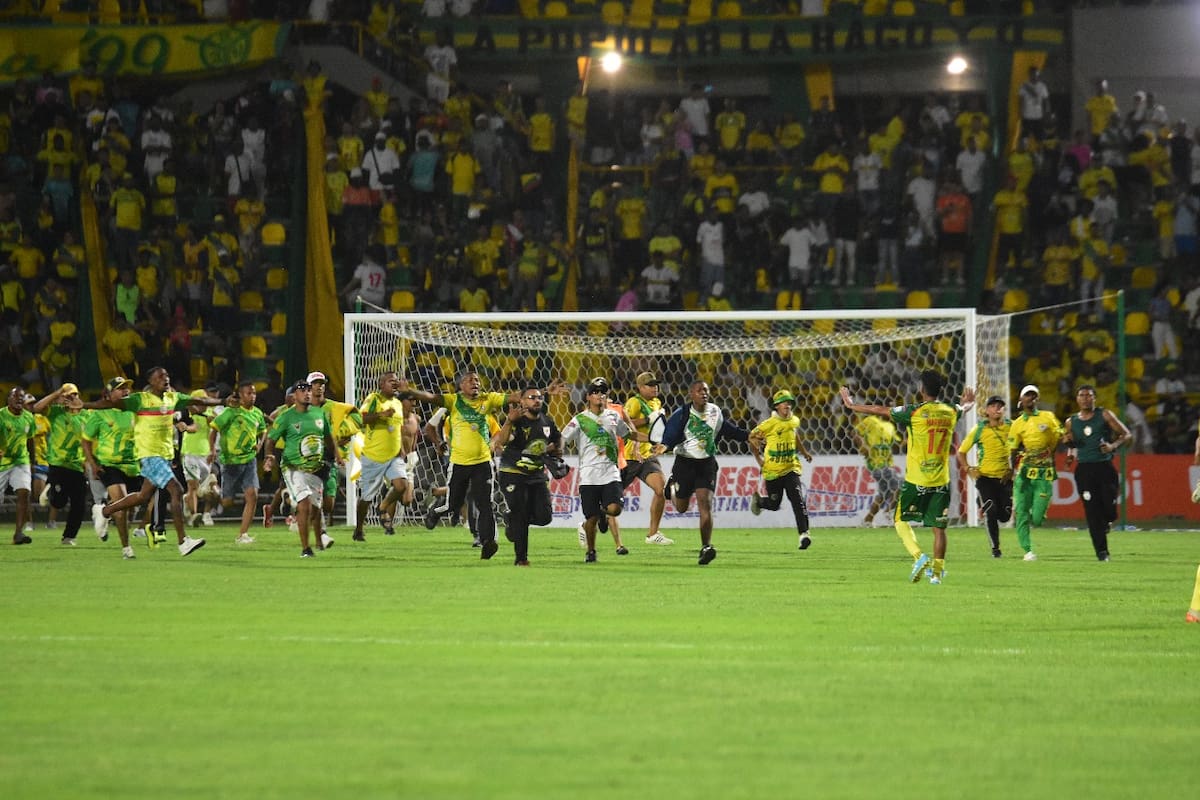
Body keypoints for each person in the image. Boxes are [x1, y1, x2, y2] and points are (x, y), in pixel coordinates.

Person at [840, 371, 975, 585]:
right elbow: (964, 408)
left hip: (917, 480)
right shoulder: (950, 411)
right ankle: (937, 574)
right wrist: (969, 404)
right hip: (941, 481)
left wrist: (851, 405)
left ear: (921, 390)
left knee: (900, 520)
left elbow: (879, 410)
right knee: (939, 528)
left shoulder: (914, 412)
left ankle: (919, 556)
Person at [93, 367, 219, 556]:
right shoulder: (140, 399)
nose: (165, 378)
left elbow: (198, 401)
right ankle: (183, 541)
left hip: (164, 455)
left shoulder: (172, 398)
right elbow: (106, 404)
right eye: (160, 376)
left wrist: (225, 401)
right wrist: (82, 405)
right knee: (176, 490)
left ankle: (104, 511)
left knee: (143, 496)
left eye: (167, 375)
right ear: (150, 382)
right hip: (149, 455)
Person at [416, 371, 541, 560]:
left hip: (482, 462)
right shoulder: (451, 404)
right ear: (460, 386)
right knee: (454, 504)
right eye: (470, 380)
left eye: (477, 380)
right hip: (457, 462)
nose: (475, 383)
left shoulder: (487, 403)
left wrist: (540, 393)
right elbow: (430, 420)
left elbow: (504, 421)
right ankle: (436, 510)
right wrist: (439, 443)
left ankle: (487, 541)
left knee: (484, 504)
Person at [559, 377, 652, 564]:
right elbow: (562, 438)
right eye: (596, 392)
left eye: (603, 392)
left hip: (611, 472)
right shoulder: (580, 420)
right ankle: (591, 551)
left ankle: (603, 513)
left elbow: (629, 434)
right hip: (588, 476)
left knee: (615, 509)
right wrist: (555, 452)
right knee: (591, 520)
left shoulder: (613, 417)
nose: (600, 396)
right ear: (588, 397)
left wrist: (652, 439)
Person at [660, 380, 751, 565]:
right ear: (691, 394)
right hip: (685, 464)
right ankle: (671, 488)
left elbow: (726, 429)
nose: (704, 393)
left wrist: (747, 436)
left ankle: (706, 547)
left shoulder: (715, 411)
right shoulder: (682, 414)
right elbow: (670, 434)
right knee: (681, 508)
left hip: (706, 464)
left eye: (706, 390)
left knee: (705, 504)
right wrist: (665, 445)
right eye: (699, 390)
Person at [264, 379, 343, 558]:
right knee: (305, 504)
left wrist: (337, 455)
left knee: (316, 509)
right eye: (302, 390)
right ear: (294, 395)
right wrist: (269, 455)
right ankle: (306, 549)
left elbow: (329, 437)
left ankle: (316, 537)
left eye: (308, 390)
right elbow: (271, 439)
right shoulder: (286, 417)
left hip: (315, 469)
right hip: (293, 468)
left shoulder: (319, 414)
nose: (307, 393)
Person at [491, 386, 562, 566]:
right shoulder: (517, 421)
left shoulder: (547, 421)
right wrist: (508, 421)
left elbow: (557, 437)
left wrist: (557, 449)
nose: (537, 400)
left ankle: (512, 520)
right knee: (521, 514)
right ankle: (521, 559)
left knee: (545, 517)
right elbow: (502, 441)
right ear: (521, 401)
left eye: (539, 397)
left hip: (536, 474)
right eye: (531, 397)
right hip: (513, 473)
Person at [1062, 384, 1131, 562]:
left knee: (1108, 506)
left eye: (1089, 395)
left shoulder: (1104, 415)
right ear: (1077, 399)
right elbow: (1071, 443)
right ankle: (1102, 552)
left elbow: (1126, 434)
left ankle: (1108, 519)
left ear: (1095, 398)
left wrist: (1112, 446)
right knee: (1091, 512)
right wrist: (1069, 453)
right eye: (1082, 395)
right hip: (1084, 469)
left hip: (1104, 467)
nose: (1085, 398)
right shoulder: (1071, 422)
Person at [81, 377, 140, 558]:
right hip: (109, 464)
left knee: (130, 507)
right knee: (122, 506)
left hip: (133, 465)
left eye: (127, 388)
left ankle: (103, 510)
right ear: (108, 394)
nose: (126, 391)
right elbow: (86, 440)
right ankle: (126, 548)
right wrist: (93, 464)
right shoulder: (98, 414)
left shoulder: (133, 410)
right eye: (120, 388)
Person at [748, 390, 814, 550]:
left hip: (791, 467)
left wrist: (804, 452)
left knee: (798, 500)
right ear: (777, 406)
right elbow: (751, 437)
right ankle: (760, 502)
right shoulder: (769, 424)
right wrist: (759, 460)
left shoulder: (794, 421)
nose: (788, 404)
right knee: (774, 503)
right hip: (773, 471)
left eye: (789, 402)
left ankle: (804, 535)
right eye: (784, 402)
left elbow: (794, 435)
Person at [354, 371, 416, 541]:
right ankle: (358, 529)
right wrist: (380, 415)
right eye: (391, 381)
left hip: (394, 457)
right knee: (366, 498)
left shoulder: (397, 403)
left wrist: (401, 451)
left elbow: (396, 430)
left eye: (396, 382)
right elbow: (361, 419)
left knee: (402, 485)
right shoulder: (374, 399)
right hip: (374, 457)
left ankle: (383, 506)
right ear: (381, 385)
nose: (395, 384)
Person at [1007, 384, 1063, 562]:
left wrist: (1064, 439)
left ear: (1037, 399)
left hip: (1044, 472)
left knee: (1038, 518)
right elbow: (1013, 449)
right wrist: (1011, 470)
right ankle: (1027, 550)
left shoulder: (1048, 417)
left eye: (1034, 395)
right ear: (1021, 400)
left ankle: (1034, 520)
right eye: (1027, 395)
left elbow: (1059, 434)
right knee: (1021, 511)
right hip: (1024, 472)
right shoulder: (1017, 424)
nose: (1031, 398)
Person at [209, 380, 268, 545]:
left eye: (254, 393)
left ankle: (242, 535)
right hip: (230, 462)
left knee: (252, 496)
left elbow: (263, 430)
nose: (253, 396)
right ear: (240, 396)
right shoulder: (231, 412)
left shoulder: (257, 413)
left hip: (249, 460)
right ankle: (212, 487)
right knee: (227, 502)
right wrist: (212, 449)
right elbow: (214, 428)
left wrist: (260, 444)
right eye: (249, 393)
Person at [956, 395, 1013, 558]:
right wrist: (968, 468)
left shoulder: (1011, 426)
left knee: (1005, 516)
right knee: (991, 510)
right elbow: (961, 452)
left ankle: (983, 502)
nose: (997, 408)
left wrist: (1013, 468)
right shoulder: (979, 429)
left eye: (1000, 406)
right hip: (985, 478)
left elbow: (1020, 445)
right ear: (987, 410)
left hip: (1004, 479)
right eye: (994, 406)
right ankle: (996, 549)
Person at [32, 383, 88, 546]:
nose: (71, 398)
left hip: (77, 464)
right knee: (59, 503)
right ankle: (51, 491)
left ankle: (69, 537)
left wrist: (88, 460)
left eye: (74, 395)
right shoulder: (56, 412)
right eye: (68, 395)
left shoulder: (86, 415)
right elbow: (36, 407)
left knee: (79, 503)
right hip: (58, 463)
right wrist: (57, 394)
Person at [621, 371, 673, 546]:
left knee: (661, 489)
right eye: (650, 385)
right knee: (611, 499)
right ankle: (586, 523)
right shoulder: (634, 403)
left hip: (648, 456)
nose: (655, 388)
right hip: (629, 457)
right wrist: (645, 420)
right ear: (640, 387)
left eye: (656, 384)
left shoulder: (656, 402)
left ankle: (652, 534)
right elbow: (623, 424)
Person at [851, 406, 900, 528]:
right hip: (875, 463)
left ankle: (868, 520)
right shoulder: (871, 420)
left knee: (883, 494)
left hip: (887, 463)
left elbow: (896, 444)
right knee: (900, 486)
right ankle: (890, 511)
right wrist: (863, 446)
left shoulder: (891, 426)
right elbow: (855, 433)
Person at [0, 385, 36, 545]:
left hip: (21, 461)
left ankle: (18, 534)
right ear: (9, 399)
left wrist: (33, 463)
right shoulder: (1, 416)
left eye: (22, 397)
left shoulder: (29, 418)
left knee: (24, 493)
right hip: (2, 463)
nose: (19, 399)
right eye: (16, 397)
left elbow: (31, 440)